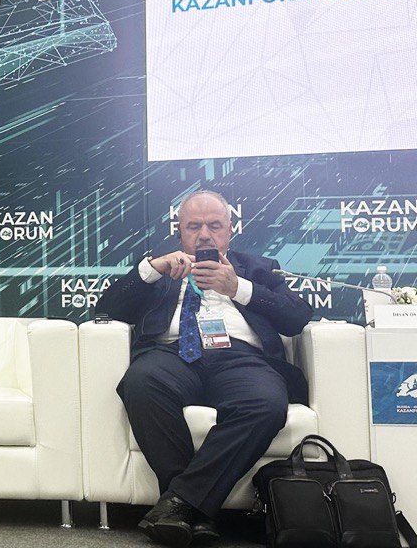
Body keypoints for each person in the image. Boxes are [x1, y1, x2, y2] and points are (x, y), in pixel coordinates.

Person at [94, 190, 312, 548]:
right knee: (141, 382)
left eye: (214, 225)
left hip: (241, 358)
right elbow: (108, 308)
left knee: (266, 403)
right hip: (172, 354)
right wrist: (151, 270)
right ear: (180, 231)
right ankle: (197, 509)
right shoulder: (162, 267)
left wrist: (238, 287)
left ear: (230, 230)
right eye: (194, 226)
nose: (204, 235)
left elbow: (297, 317)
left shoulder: (258, 267)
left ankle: (178, 504)